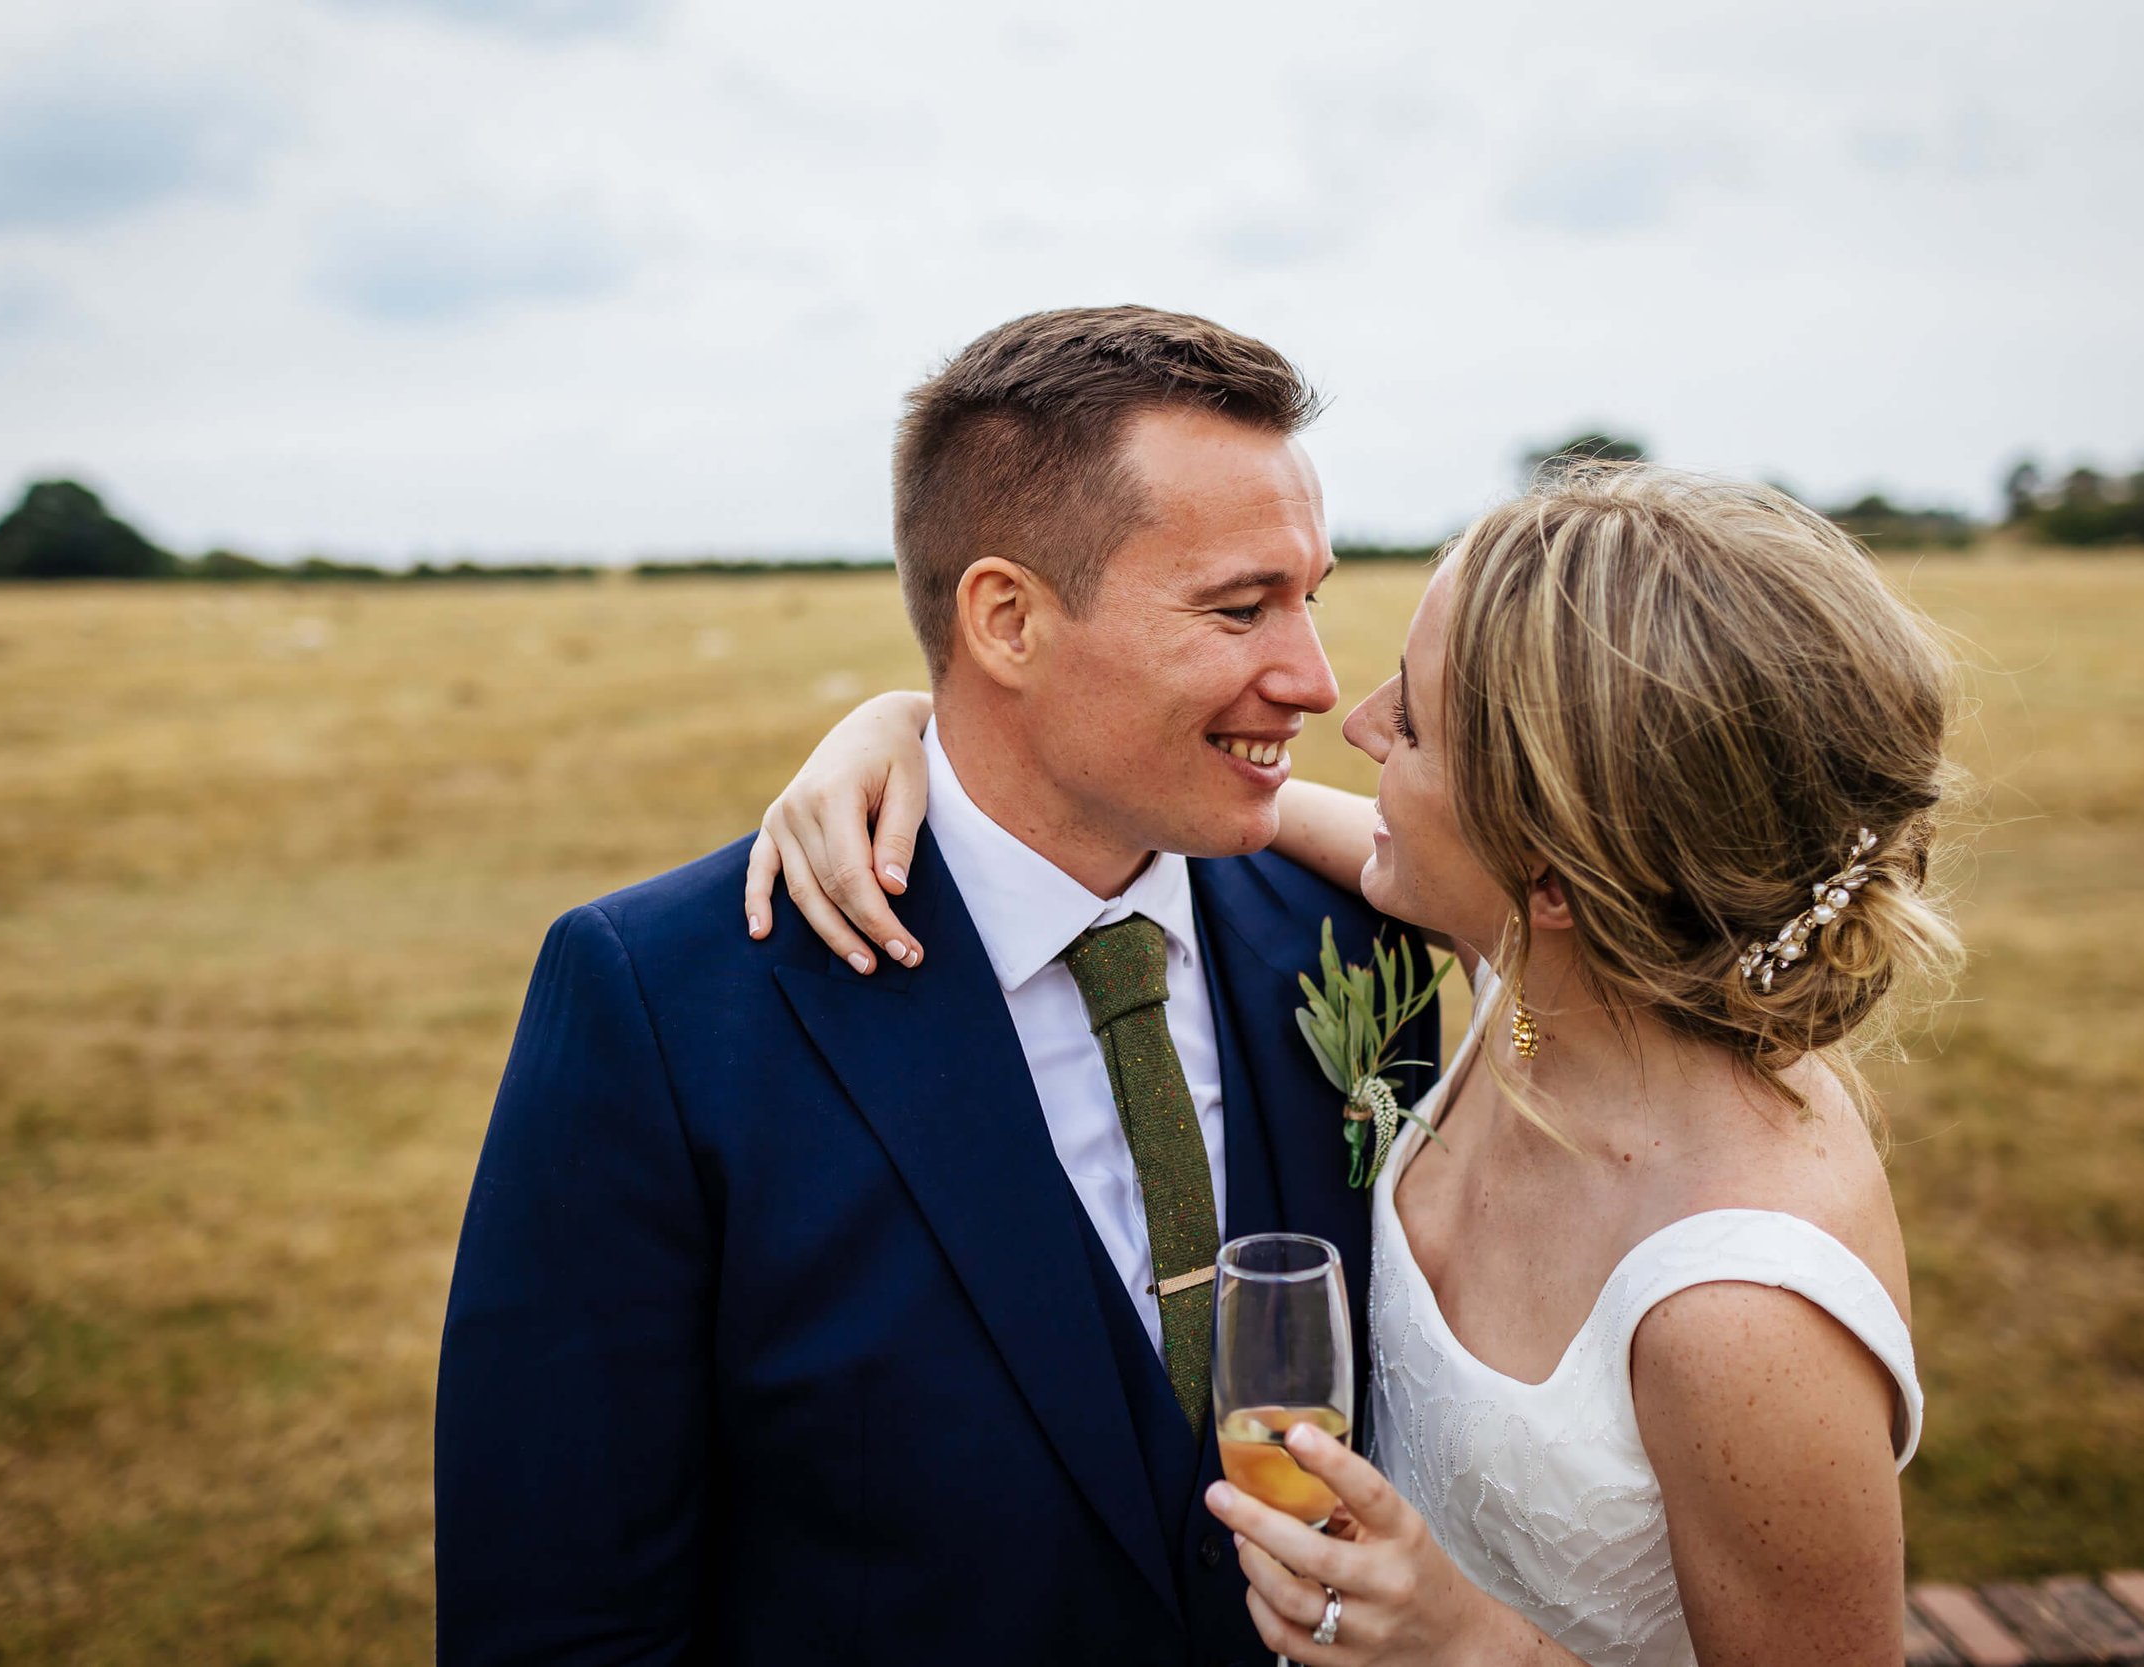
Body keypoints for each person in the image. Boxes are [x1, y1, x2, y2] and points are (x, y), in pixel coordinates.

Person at [755, 462, 1964, 1665]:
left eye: (1418, 725)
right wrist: (913, 726)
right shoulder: (1540, 996)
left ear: (1550, 870)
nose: (1359, 719)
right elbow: (1240, 806)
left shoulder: (1738, 1307)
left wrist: (1468, 1644)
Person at [434, 305, 1440, 1664]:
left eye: (1308, 595)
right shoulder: (662, 1006)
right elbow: (563, 1614)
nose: (1315, 678)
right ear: (1008, 617)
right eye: (1240, 605)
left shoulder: (1358, 934)